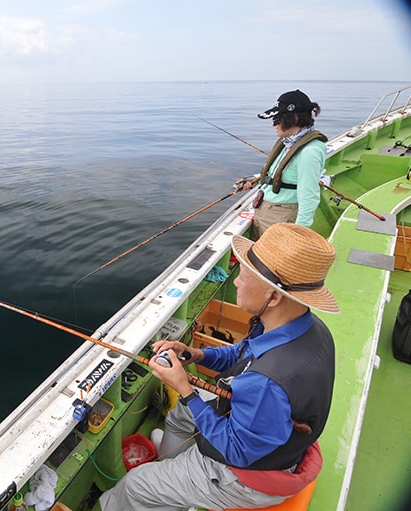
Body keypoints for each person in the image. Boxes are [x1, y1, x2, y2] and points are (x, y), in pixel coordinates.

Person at [99, 223, 339, 511]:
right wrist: (197, 355)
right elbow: (243, 353)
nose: (236, 280)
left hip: (246, 475)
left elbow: (234, 450)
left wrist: (185, 390)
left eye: (245, 274)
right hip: (275, 439)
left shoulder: (267, 383)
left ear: (274, 296)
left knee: (136, 486)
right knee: (180, 417)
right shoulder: (311, 328)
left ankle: (162, 487)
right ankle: (172, 478)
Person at [237, 90, 327, 240]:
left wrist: (298, 232)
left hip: (281, 216)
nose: (274, 124)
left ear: (295, 118)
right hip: (266, 210)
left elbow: (309, 195)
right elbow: (280, 173)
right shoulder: (288, 142)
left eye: (278, 119)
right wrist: (253, 179)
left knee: (270, 261)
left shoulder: (309, 152)